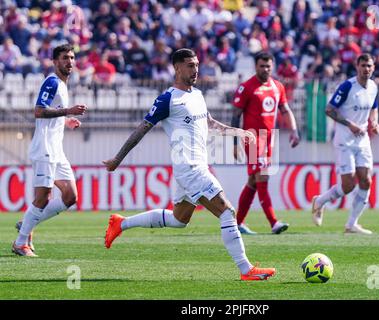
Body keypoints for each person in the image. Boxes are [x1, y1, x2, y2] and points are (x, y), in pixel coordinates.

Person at [102, 48, 275, 281]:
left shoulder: (197, 95)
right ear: (177, 68)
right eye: (190, 65)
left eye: (196, 64)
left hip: (193, 168)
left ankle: (121, 224)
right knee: (227, 212)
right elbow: (141, 130)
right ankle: (246, 269)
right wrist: (117, 159)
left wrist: (237, 132)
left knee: (178, 220)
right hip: (190, 169)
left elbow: (210, 123)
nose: (195, 70)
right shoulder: (168, 99)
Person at [13, 44, 88, 257]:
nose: (70, 62)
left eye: (72, 58)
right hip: (45, 148)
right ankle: (20, 243)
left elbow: (52, 113)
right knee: (43, 197)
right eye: (65, 58)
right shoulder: (53, 81)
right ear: (55, 61)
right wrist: (68, 111)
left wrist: (66, 120)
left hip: (57, 150)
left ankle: (27, 223)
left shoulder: (63, 86)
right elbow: (39, 111)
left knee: (70, 195)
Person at [311, 53, 379, 235]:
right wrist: (350, 124)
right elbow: (329, 109)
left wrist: (375, 122)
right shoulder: (348, 86)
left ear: (373, 68)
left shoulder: (373, 87)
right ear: (357, 67)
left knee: (366, 180)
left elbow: (374, 109)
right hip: (344, 140)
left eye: (369, 66)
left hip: (363, 140)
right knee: (348, 184)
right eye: (363, 65)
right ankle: (319, 201)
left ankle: (351, 224)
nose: (366, 69)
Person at [231, 51, 300, 235]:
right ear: (256, 66)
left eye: (268, 66)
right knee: (263, 177)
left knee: (253, 181)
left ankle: (237, 223)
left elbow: (285, 109)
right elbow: (235, 116)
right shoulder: (246, 88)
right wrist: (235, 143)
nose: (265, 69)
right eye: (262, 66)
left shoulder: (277, 87)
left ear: (273, 66)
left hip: (270, 140)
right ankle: (273, 222)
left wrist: (294, 130)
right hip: (253, 139)